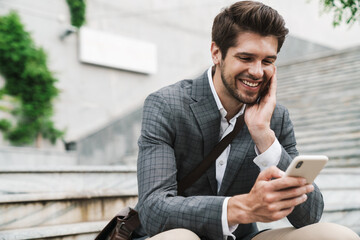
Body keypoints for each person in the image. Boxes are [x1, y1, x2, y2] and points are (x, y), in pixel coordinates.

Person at [133, 1, 360, 240]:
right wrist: (243, 207)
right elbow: (153, 210)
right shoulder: (166, 105)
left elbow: (310, 216)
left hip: (241, 237)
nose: (257, 72)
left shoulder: (276, 117)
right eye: (246, 57)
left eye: (267, 61)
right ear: (216, 53)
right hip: (177, 235)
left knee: (337, 235)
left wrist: (264, 135)